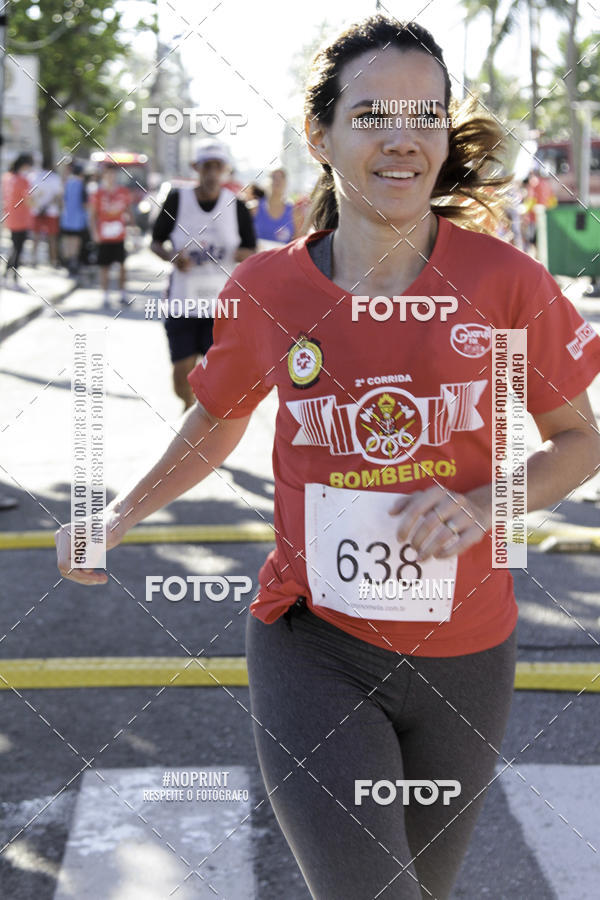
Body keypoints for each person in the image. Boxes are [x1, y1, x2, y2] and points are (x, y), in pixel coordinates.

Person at [56, 16, 600, 899]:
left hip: (470, 654)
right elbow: (217, 420)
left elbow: (579, 441)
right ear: (320, 135)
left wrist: (484, 504)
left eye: (425, 116)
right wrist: (119, 515)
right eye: (373, 114)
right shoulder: (267, 289)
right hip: (314, 645)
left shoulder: (505, 282)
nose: (403, 138)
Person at [150, 139, 256, 410]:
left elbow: (251, 249)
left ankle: (200, 421)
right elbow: (155, 242)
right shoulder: (177, 199)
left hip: (221, 305)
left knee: (215, 376)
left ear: (225, 170)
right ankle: (188, 406)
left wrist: (241, 255)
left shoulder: (236, 206)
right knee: (181, 377)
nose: (211, 173)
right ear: (195, 168)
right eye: (206, 166)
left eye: (217, 167)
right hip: (182, 300)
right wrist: (172, 257)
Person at [87, 163, 132, 307]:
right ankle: (105, 296)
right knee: (104, 266)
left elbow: (128, 211)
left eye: (113, 174)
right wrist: (94, 233)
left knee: (122, 265)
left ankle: (123, 294)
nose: (111, 177)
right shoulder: (98, 193)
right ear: (104, 176)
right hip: (104, 235)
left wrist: (132, 228)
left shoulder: (123, 191)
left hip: (119, 234)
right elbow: (92, 215)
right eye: (108, 174)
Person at [2, 153, 34, 288]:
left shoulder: (6, 177)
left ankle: (6, 275)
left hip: (10, 217)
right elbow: (29, 201)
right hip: (21, 219)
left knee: (14, 247)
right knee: (18, 249)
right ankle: (13, 277)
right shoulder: (23, 180)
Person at [251, 167, 302, 244]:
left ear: (286, 182)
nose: (278, 181)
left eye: (282, 177)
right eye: (274, 177)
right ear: (267, 181)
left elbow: (297, 243)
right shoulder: (253, 209)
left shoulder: (294, 212)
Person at [30, 163, 63, 267]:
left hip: (37, 210)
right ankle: (53, 261)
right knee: (52, 237)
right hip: (51, 211)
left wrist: (40, 206)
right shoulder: (56, 178)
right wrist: (47, 206)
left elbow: (31, 195)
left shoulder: (34, 177)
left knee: (36, 236)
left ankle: (33, 259)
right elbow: (58, 196)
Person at [59, 161, 87, 276]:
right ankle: (73, 264)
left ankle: (66, 263)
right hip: (78, 219)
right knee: (75, 242)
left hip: (66, 218)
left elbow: (62, 199)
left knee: (67, 241)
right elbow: (85, 203)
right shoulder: (81, 184)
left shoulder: (67, 183)